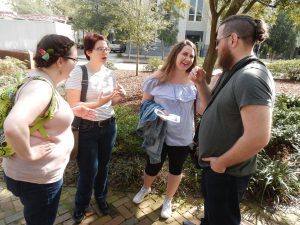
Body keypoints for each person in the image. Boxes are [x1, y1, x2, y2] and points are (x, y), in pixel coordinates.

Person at [189, 15, 275, 225]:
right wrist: (201, 84)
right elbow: (210, 107)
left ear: (233, 39)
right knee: (213, 216)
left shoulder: (251, 77)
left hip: (227, 172)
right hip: (216, 169)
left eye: (218, 41)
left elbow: (259, 137)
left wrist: (221, 162)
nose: (216, 47)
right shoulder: (232, 71)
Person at [3, 34, 96, 225]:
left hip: (29, 177)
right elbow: (13, 126)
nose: (76, 65)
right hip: (37, 180)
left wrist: (71, 111)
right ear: (61, 61)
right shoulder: (41, 87)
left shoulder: (38, 79)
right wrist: (29, 154)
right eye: (74, 60)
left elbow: (42, 115)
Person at [133, 40, 202, 219]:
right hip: (159, 135)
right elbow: (144, 104)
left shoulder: (194, 81)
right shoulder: (158, 78)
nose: (187, 59)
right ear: (176, 55)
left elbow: (202, 109)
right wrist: (157, 111)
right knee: (152, 166)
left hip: (183, 135)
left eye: (191, 56)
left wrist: (201, 85)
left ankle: (168, 200)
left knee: (175, 169)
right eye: (184, 54)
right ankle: (145, 188)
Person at [65, 32, 126, 224]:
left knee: (104, 167)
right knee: (89, 170)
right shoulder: (79, 72)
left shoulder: (109, 73)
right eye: (100, 48)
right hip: (86, 129)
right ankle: (81, 206)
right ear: (89, 52)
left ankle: (101, 198)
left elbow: (110, 103)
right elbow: (73, 106)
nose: (105, 51)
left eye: (107, 48)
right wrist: (99, 103)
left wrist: (118, 97)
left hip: (109, 127)